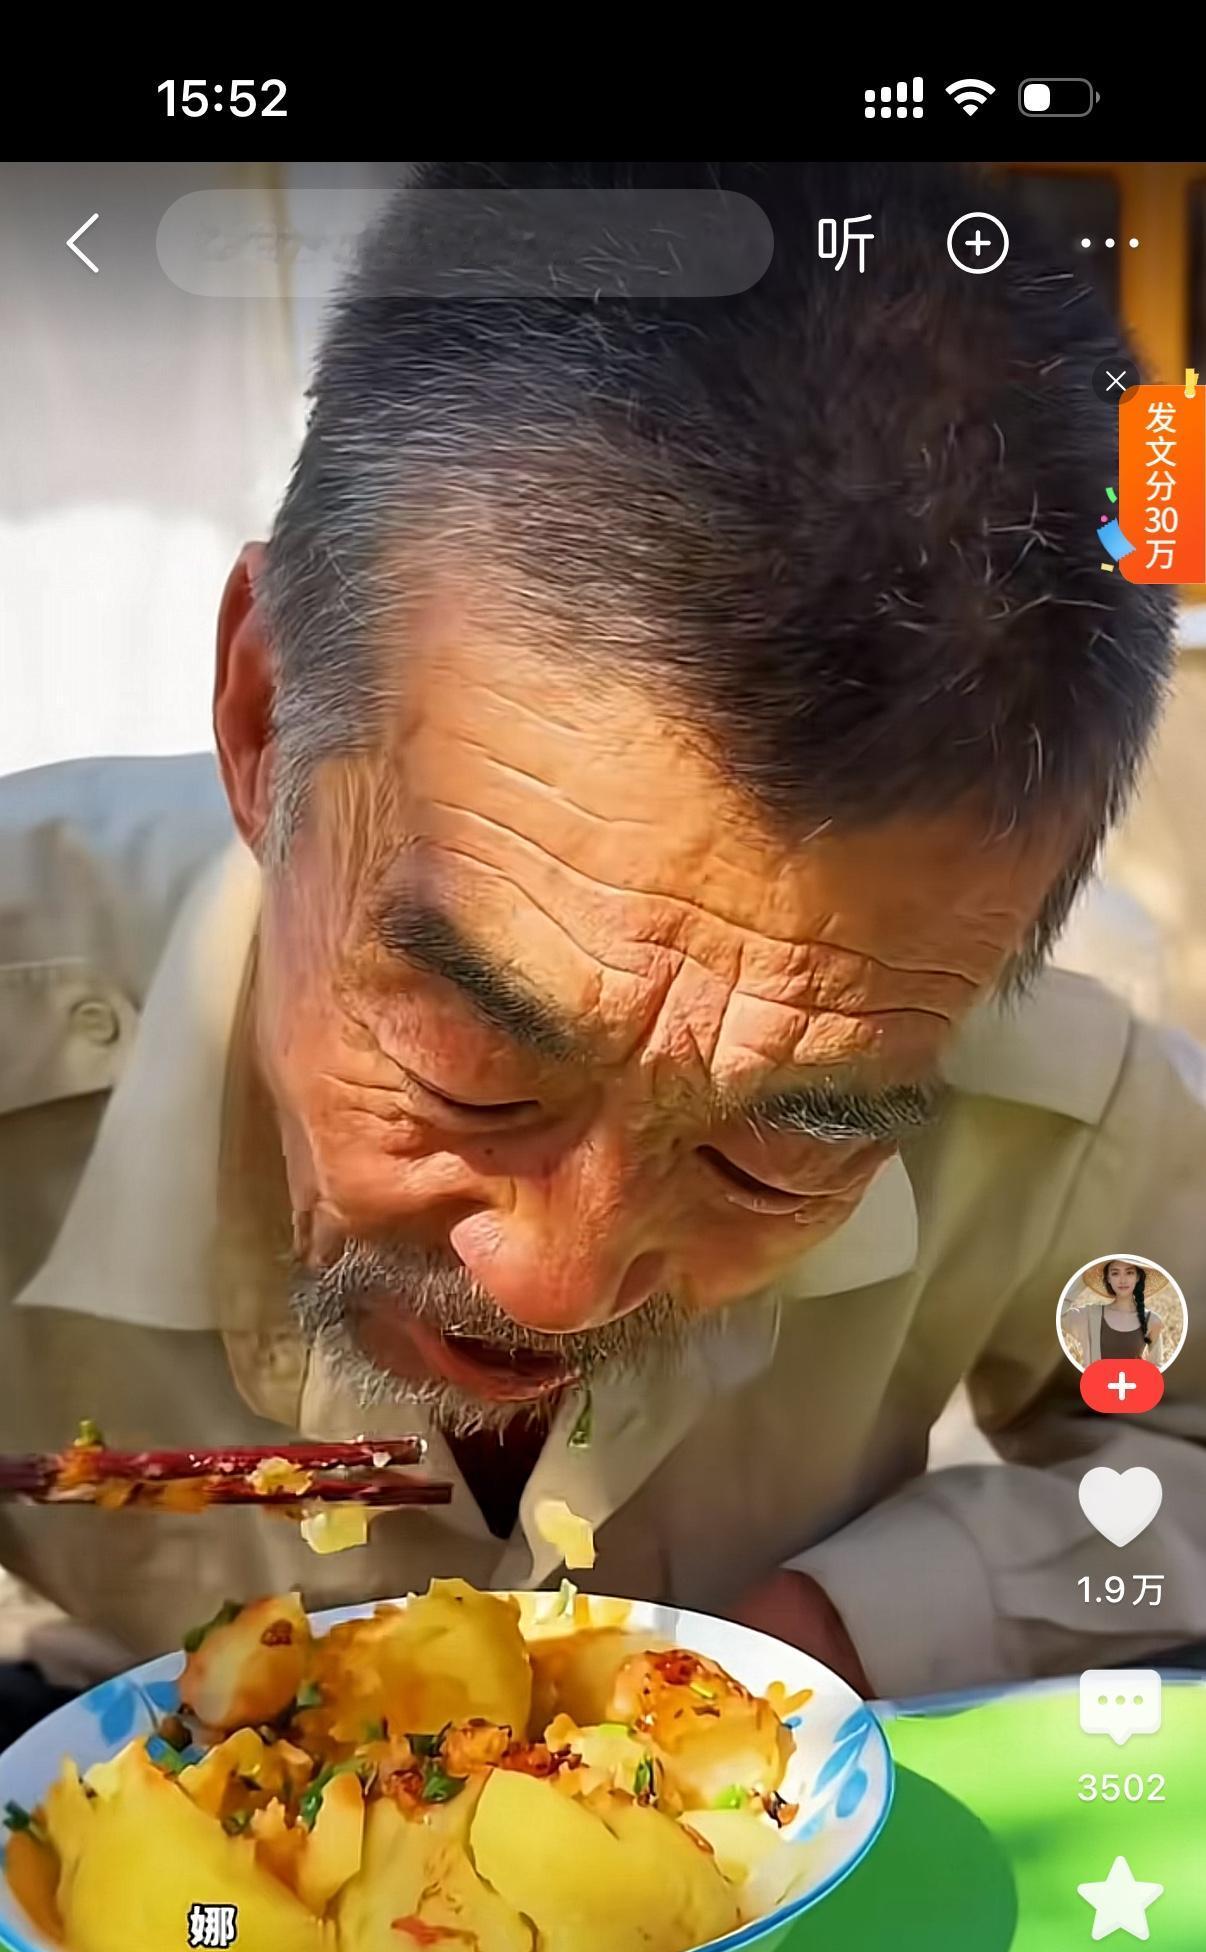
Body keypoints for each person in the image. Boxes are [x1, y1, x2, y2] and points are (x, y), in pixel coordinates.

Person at [3, 156, 1206, 1731]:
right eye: (473, 1073)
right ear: (262, 714)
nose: (559, 1285)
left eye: (772, 1153)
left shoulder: (1046, 1086)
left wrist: (834, 1633)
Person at [1064, 1262, 1169, 1370]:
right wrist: (1081, 1280)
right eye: (1115, 1273)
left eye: (1129, 1272)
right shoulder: (1091, 1315)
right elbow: (1059, 1315)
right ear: (1108, 1278)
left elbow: (1156, 1368)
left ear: (1138, 1277)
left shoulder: (1151, 1320)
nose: (1122, 1280)